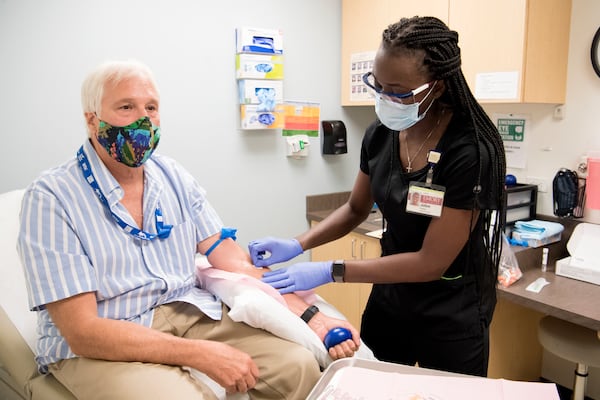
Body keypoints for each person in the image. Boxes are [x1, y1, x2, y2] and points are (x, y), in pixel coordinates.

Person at [17, 59, 359, 400]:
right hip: (105, 336)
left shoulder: (173, 177)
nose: (144, 119)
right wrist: (198, 354)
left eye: (151, 107)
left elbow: (236, 263)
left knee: (297, 365)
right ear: (92, 120)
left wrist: (312, 316)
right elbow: (83, 332)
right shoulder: (52, 197)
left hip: (189, 311)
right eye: (126, 107)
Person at [249, 16, 506, 377]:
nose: (385, 98)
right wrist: (297, 243)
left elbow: (432, 262)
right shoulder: (381, 134)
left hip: (451, 308)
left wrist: (332, 270)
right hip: (392, 294)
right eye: (378, 85)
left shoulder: (471, 150)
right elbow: (356, 207)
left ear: (438, 86)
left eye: (398, 91)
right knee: (373, 382)